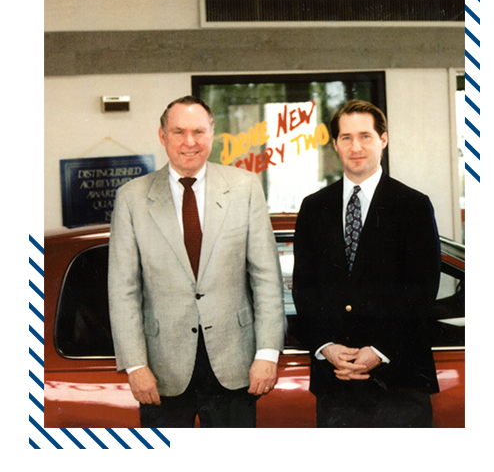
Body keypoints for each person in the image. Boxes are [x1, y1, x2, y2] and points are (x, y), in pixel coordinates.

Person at [108, 95, 285, 428]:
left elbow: (267, 278)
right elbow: (123, 290)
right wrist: (135, 365)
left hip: (236, 366)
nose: (189, 142)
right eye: (178, 132)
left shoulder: (244, 187)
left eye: (198, 132)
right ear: (162, 136)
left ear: (212, 135)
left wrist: (267, 353)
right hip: (161, 372)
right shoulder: (131, 197)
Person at [292, 99, 441, 428]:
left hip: (399, 378)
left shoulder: (413, 205)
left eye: (365, 136)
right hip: (336, 382)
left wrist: (380, 348)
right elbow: (304, 288)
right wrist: (326, 345)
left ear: (383, 140)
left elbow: (423, 288)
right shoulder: (314, 207)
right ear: (335, 144)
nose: (355, 146)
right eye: (346, 138)